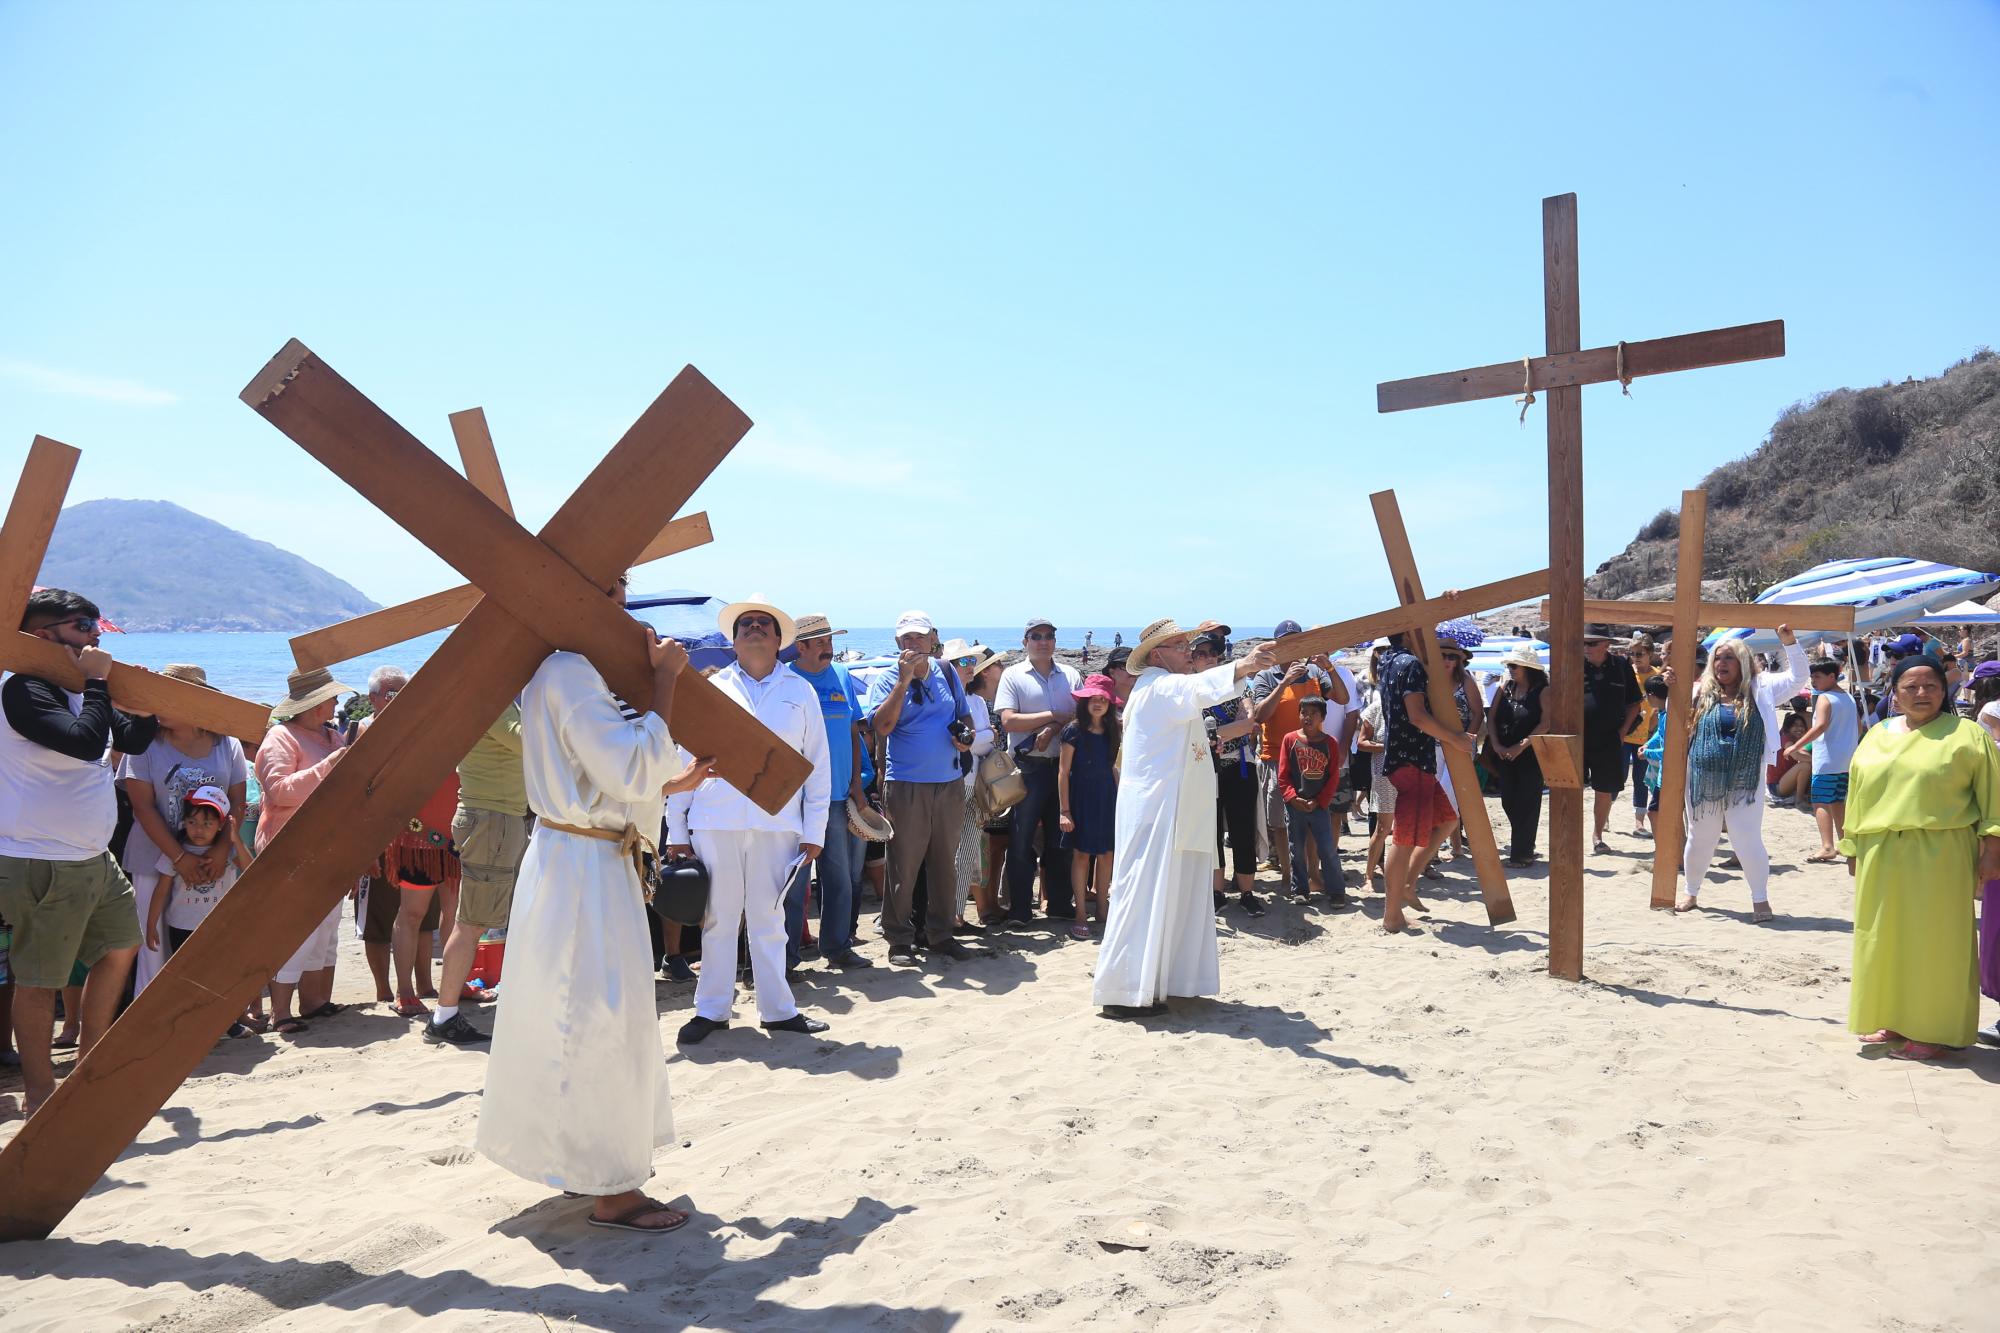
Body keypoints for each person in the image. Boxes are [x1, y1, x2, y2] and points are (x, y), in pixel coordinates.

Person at [0, 588, 157, 1117]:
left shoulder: (74, 687)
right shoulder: (23, 690)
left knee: (120, 947)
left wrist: (148, 703)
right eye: (81, 624)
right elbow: (87, 742)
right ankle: (41, 1092)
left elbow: (130, 741)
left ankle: (88, 1065)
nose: (94, 633)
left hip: (90, 856)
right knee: (40, 979)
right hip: (41, 857)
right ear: (42, 636)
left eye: (95, 623)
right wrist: (96, 682)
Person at [1093, 619, 1275, 1018]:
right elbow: (1197, 688)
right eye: (1179, 646)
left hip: (1176, 807)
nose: (1189, 652)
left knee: (1174, 894)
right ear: (1157, 655)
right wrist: (1244, 665)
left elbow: (1201, 694)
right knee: (1144, 895)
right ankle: (1124, 992)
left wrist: (1242, 668)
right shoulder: (1158, 685)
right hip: (1157, 809)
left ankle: (1168, 981)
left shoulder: (1164, 687)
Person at [670, 600, 833, 1043]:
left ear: (779, 640)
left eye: (764, 624)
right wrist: (677, 829)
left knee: (769, 919)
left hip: (779, 824)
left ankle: (779, 1010)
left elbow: (818, 765)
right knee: (717, 920)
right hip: (715, 820)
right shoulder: (713, 690)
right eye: (746, 624)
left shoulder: (801, 691)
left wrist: (814, 831)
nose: (755, 628)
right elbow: (684, 760)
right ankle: (711, 1010)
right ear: (733, 638)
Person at [1839, 654, 2000, 1061]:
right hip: (1880, 850)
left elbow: (1994, 800)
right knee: (1885, 938)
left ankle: (1934, 1030)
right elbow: (1857, 793)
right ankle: (1892, 1017)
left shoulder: (1967, 735)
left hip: (1941, 850)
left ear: (1944, 690)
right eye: (1910, 686)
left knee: (1936, 940)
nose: (1921, 693)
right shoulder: (1876, 736)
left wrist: (1992, 849)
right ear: (1894, 694)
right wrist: (1852, 845)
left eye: (1930, 684)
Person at [116, 664, 248, 996]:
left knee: (210, 941)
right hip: (153, 858)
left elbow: (237, 803)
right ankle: (155, 1021)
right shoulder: (146, 744)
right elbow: (142, 806)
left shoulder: (226, 744)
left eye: (166, 698)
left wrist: (220, 851)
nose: (157, 706)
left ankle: (209, 1014)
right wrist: (179, 856)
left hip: (212, 862)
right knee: (154, 945)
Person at [864, 611, 977, 961]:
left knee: (945, 862)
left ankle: (940, 934)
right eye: (906, 639)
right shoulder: (886, 680)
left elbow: (964, 715)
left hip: (949, 782)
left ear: (932, 640)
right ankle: (899, 939)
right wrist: (903, 681)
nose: (913, 644)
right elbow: (881, 727)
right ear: (898, 644)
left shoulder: (946, 673)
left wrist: (967, 737)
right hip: (906, 784)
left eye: (919, 637)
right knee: (904, 864)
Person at [1673, 624, 1807, 921]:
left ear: (1744, 662)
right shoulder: (1698, 691)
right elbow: (1675, 715)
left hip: (1746, 779)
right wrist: (1672, 686)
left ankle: (1760, 901)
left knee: (1746, 838)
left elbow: (1799, 678)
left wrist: (1789, 643)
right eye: (1718, 657)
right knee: (1701, 837)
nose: (1722, 663)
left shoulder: (1762, 688)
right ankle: (1691, 892)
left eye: (1730, 658)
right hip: (1702, 776)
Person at [426, 700, 528, 1045]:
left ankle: (446, 1013)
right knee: (471, 924)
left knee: (472, 922)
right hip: (492, 820)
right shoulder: (493, 705)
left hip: (494, 819)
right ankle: (444, 1015)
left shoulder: (494, 703)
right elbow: (530, 742)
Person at [257, 667, 353, 1033]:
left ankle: (315, 1002)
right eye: (332, 697)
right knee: (296, 928)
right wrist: (330, 766)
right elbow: (279, 792)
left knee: (326, 929)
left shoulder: (332, 735)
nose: (337, 703)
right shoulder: (280, 738)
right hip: (291, 846)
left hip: (328, 845)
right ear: (315, 705)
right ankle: (280, 1011)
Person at [787, 614, 872, 970]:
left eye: (830, 641)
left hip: (838, 797)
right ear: (800, 646)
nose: (828, 648)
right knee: (794, 883)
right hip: (797, 801)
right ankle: (787, 958)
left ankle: (837, 947)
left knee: (840, 879)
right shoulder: (787, 680)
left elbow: (853, 732)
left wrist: (857, 783)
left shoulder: (840, 675)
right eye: (819, 642)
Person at [1378, 630, 1476, 934]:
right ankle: (1392, 915)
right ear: (1409, 632)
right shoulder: (1411, 664)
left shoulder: (1387, 660)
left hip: (1405, 757)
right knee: (1404, 839)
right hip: (1413, 760)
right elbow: (1417, 716)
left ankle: (1408, 882)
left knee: (1447, 819)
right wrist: (1456, 739)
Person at [995, 617, 1082, 923]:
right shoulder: (1013, 675)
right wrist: (1053, 716)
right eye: (1036, 636)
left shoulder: (1071, 675)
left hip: (1063, 768)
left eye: (1049, 636)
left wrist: (1052, 727)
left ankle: (1058, 904)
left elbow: (1080, 717)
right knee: (1021, 841)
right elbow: (1008, 721)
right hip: (1027, 768)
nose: (1043, 641)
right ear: (1025, 642)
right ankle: (1020, 908)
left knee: (1062, 839)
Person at [1248, 624, 1348, 893]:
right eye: (1287, 643)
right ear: (1277, 645)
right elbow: (1259, 715)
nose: (1292, 648)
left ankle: (1313, 873)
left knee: (1314, 817)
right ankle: (1288, 873)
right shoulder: (1266, 676)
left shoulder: (1314, 672)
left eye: (1297, 642)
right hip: (1276, 756)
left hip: (1312, 756)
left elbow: (1342, 697)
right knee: (1281, 822)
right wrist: (1285, 683)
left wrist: (1329, 668)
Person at [1191, 631, 1262, 916]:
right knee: (1211, 833)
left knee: (1243, 830)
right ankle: (1216, 892)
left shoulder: (1237, 684)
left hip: (1239, 765)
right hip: (1205, 769)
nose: (1208, 659)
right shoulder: (1189, 689)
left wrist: (1207, 735)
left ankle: (1247, 892)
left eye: (1212, 653)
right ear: (1192, 660)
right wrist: (1214, 735)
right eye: (1200, 654)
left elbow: (1248, 723)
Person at [943, 640, 1000, 931]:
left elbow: (976, 741)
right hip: (952, 783)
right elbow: (967, 741)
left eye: (970, 663)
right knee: (945, 852)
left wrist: (978, 738)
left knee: (967, 851)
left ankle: (956, 915)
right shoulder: (945, 700)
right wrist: (982, 737)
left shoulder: (975, 701)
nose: (969, 668)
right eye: (963, 663)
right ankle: (942, 915)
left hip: (973, 783)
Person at [1058, 673, 1120, 940]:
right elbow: (1063, 772)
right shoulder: (1073, 730)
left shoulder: (1115, 730)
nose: (1097, 704)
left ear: (1109, 704)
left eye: (1102, 700)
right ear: (1083, 702)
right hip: (1081, 797)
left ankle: (1103, 910)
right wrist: (1064, 810)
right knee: (1082, 855)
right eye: (1092, 699)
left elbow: (1115, 768)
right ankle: (1081, 913)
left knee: (1107, 854)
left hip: (1108, 796)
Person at [1787, 658, 1862, 864]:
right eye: (1812, 677)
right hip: (1846, 759)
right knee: (1837, 801)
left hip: (1827, 760)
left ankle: (1827, 846)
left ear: (1831, 676)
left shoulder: (1825, 698)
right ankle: (1845, 843)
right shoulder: (1847, 697)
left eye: (1817, 677)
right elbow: (1859, 727)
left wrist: (1795, 746)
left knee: (1820, 800)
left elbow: (1819, 726)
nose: (1813, 681)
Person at [1484, 644, 1550, 867]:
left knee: (1528, 803)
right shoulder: (1505, 687)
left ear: (1527, 667)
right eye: (1509, 665)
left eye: (1514, 665)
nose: (1510, 669)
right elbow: (1491, 718)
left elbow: (1545, 723)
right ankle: (1525, 846)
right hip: (1504, 754)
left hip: (1531, 755)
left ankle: (1521, 854)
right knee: (1508, 801)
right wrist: (1496, 745)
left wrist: (1520, 746)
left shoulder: (1543, 690)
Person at [1277, 696, 1347, 905]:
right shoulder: (1290, 739)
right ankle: (1301, 889)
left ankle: (1336, 890)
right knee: (1296, 849)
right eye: (1303, 712)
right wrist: (1292, 797)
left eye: (1313, 713)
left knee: (1326, 849)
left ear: (1323, 717)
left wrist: (1320, 801)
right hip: (1295, 805)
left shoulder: (1329, 743)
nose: (1307, 717)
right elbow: (1283, 774)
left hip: (1319, 806)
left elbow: (1333, 776)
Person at [1581, 626, 1642, 853]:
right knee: (1570, 787)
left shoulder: (1621, 666)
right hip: (1578, 738)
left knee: (1604, 789)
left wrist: (1623, 732)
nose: (1586, 648)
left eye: (1592, 643)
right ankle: (1571, 835)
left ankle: (1598, 836)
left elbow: (1635, 702)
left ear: (1606, 644)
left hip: (1609, 738)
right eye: (1584, 643)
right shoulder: (1574, 664)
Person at [1622, 635, 1664, 835]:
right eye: (1632, 654)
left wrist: (1653, 731)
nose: (1635, 657)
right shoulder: (1626, 674)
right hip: (1624, 734)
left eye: (1640, 654)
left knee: (1641, 780)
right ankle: (1605, 816)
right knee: (1618, 778)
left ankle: (1639, 823)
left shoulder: (1658, 676)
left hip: (1647, 736)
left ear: (1650, 654)